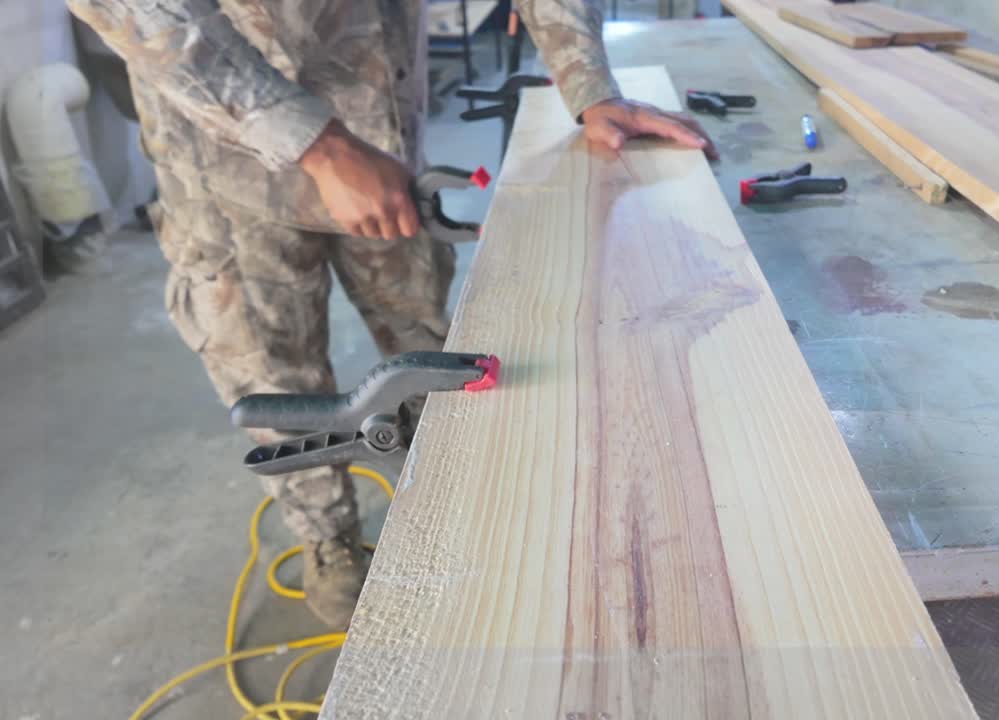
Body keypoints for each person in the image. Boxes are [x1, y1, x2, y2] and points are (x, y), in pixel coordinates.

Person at [67, 0, 716, 628]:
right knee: (273, 371)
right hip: (226, 160)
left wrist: (588, 82)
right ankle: (330, 541)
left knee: (432, 355)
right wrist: (317, 147)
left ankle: (451, 501)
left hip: (383, 138)